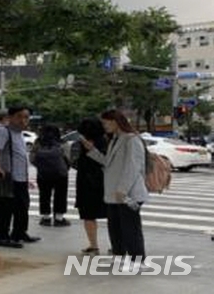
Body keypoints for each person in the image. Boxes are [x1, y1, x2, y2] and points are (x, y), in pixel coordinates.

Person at [81, 109, 148, 263]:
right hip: (113, 193)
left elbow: (133, 166)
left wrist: (123, 189)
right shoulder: (115, 139)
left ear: (116, 121)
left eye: (106, 122)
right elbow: (108, 162)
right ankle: (119, 256)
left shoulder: (131, 139)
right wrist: (92, 151)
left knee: (130, 228)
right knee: (115, 228)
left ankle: (137, 260)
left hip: (128, 193)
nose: (104, 126)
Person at [0, 106, 41, 248]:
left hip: (21, 178)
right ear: (10, 117)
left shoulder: (19, 134)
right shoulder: (4, 132)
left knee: (22, 207)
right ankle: (2, 237)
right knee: (6, 208)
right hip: (9, 177)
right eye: (19, 116)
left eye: (26, 117)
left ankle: (19, 233)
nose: (23, 120)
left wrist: (27, 178)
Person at [73, 118, 108, 254]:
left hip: (85, 182)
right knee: (110, 214)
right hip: (104, 182)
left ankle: (94, 245)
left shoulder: (81, 143)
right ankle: (115, 245)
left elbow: (74, 161)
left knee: (88, 215)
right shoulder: (106, 141)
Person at [30, 124, 70, 227]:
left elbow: (32, 158)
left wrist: (41, 167)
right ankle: (59, 219)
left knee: (44, 195)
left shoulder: (38, 143)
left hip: (43, 174)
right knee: (60, 195)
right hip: (60, 174)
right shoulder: (62, 143)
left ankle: (46, 218)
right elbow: (69, 158)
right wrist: (65, 167)